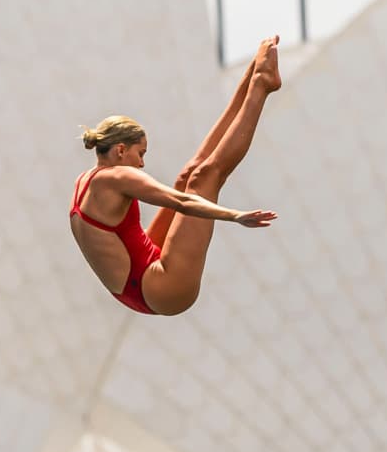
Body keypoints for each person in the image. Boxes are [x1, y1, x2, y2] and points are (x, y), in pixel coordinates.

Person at [68, 35, 281, 316]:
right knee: (204, 178)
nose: (142, 164)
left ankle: (254, 76)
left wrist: (253, 65)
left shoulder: (85, 181)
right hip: (161, 288)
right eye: (140, 153)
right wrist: (235, 216)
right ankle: (261, 87)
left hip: (139, 279)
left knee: (188, 174)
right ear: (121, 150)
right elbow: (181, 202)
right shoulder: (118, 177)